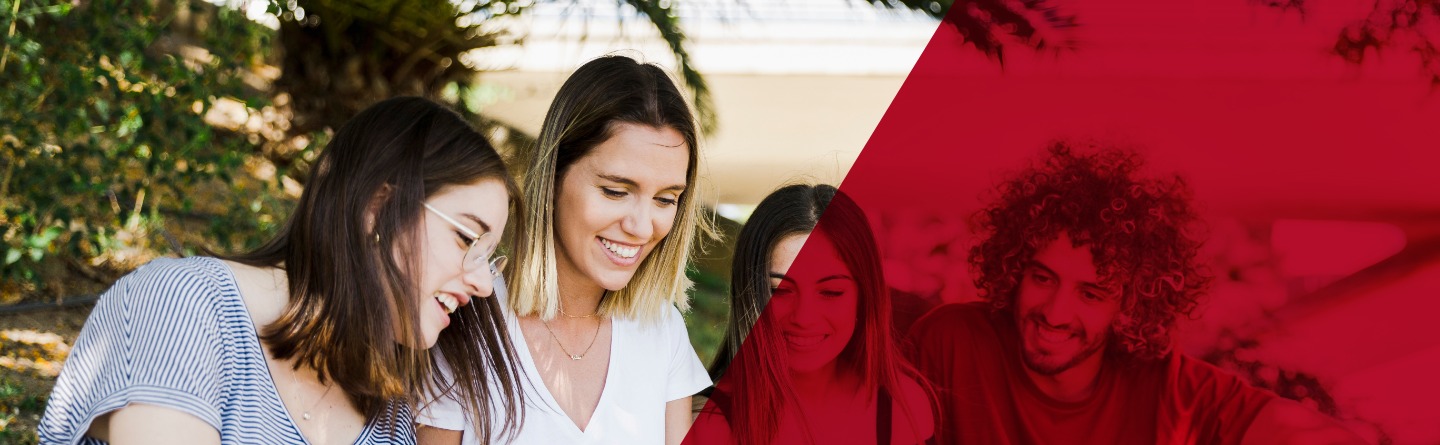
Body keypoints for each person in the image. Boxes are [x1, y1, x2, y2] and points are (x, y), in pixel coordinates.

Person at [39, 97, 526, 445]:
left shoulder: (389, 418)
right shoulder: (182, 305)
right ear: (378, 208)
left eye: (488, 256)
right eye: (465, 238)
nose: (484, 284)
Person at [908, 143, 1366, 444]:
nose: (1054, 312)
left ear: (1131, 304)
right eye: (1042, 278)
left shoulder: (1167, 388)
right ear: (1013, 268)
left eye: (1091, 293)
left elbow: (1301, 433)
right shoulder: (953, 342)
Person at [417, 55, 712, 445]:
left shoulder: (662, 329)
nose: (641, 227)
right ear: (553, 175)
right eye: (615, 191)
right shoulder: (463, 320)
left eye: (665, 199)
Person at [692, 183, 934, 445]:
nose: (804, 317)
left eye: (831, 292)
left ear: (864, 298)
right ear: (749, 294)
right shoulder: (706, 420)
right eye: (779, 290)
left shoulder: (903, 407)